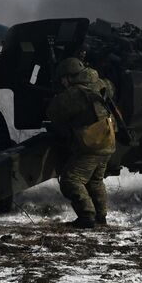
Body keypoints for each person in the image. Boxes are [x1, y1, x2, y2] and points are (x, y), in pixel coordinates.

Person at [44, 57, 117, 228]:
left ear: (69, 76)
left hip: (92, 144)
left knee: (71, 180)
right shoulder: (100, 83)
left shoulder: (73, 93)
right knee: (95, 181)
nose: (62, 82)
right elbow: (112, 89)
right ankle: (101, 217)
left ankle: (87, 216)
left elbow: (52, 113)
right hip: (108, 140)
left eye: (63, 79)